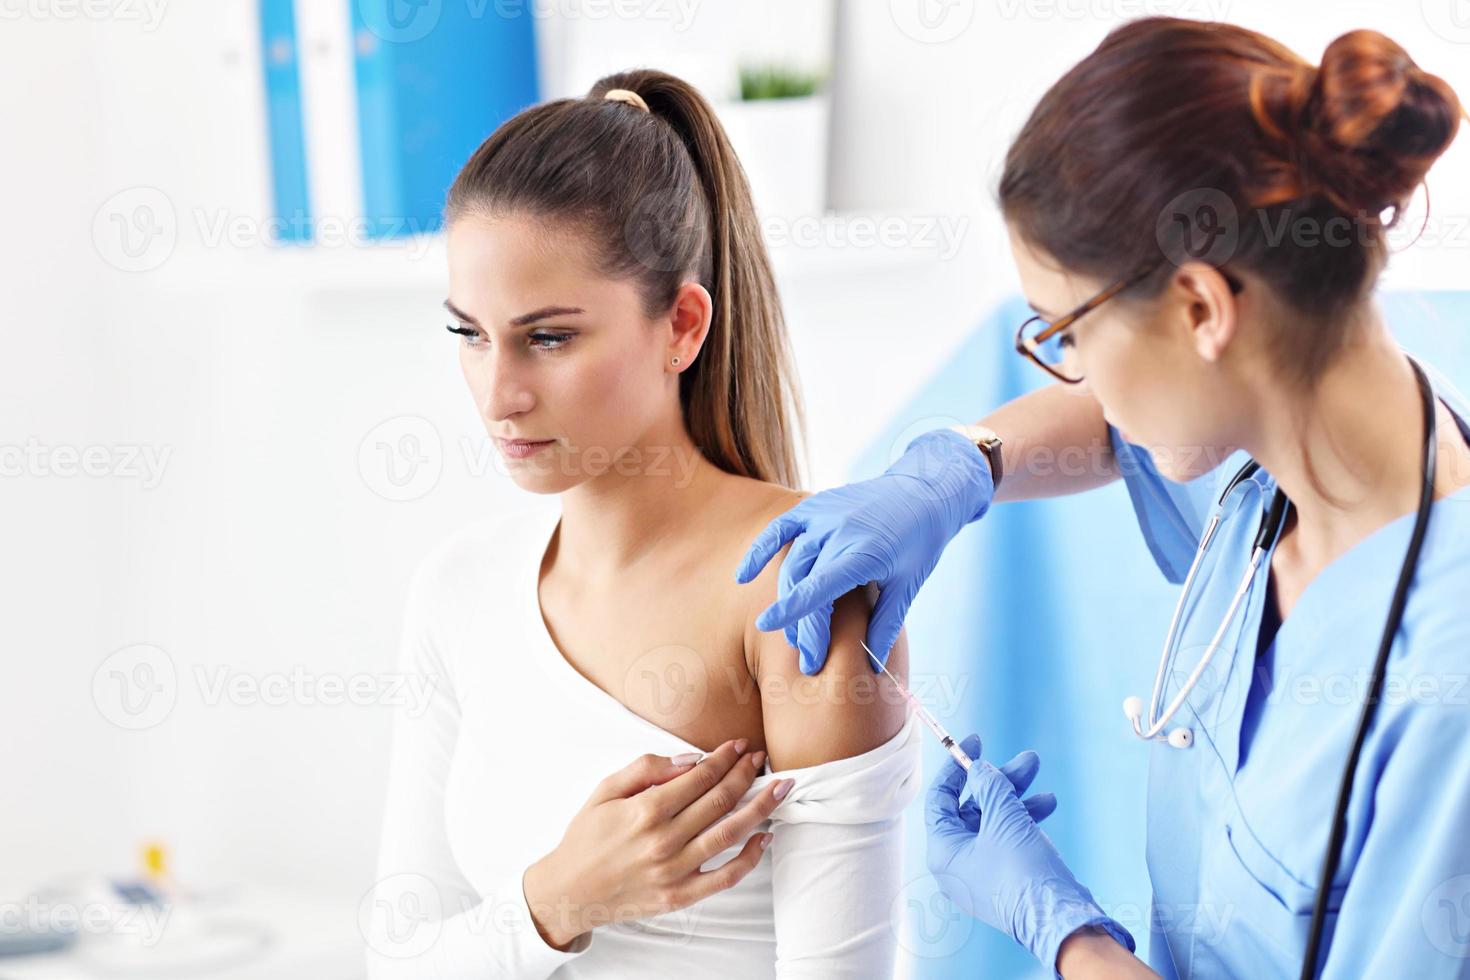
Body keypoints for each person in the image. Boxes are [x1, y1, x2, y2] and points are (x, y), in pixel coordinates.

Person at [736, 18, 1470, 979]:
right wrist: (959, 467)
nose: (1070, 373)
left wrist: (1067, 937)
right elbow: (1120, 427)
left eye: (1065, 333)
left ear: (1203, 308)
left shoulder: (1442, 684)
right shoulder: (1276, 473)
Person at [366, 69, 924, 979]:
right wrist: (557, 903)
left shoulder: (800, 588)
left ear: (682, 326)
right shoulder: (458, 589)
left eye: (549, 338)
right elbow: (394, 961)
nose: (499, 394)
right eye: (470, 334)